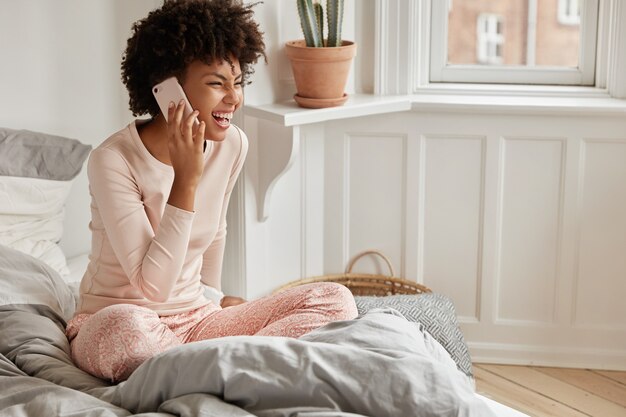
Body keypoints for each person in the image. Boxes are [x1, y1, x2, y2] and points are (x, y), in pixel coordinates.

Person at [66, 0, 357, 383]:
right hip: (117, 320)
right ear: (167, 89)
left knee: (335, 300)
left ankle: (203, 369)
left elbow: (215, 232)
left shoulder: (231, 144)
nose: (234, 99)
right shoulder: (113, 160)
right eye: (216, 84)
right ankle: (232, 367)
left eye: (237, 83)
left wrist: (215, 296)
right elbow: (152, 287)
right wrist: (186, 180)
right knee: (128, 330)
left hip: (197, 320)